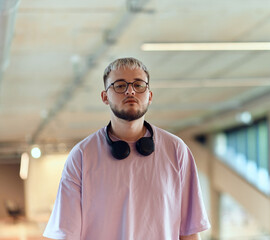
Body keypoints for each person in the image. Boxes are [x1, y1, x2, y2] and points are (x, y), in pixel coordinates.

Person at [43, 57, 211, 240]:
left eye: (139, 85)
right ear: (105, 97)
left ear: (150, 95)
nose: (130, 91)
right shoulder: (82, 156)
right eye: (120, 85)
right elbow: (66, 235)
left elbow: (190, 232)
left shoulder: (177, 150)